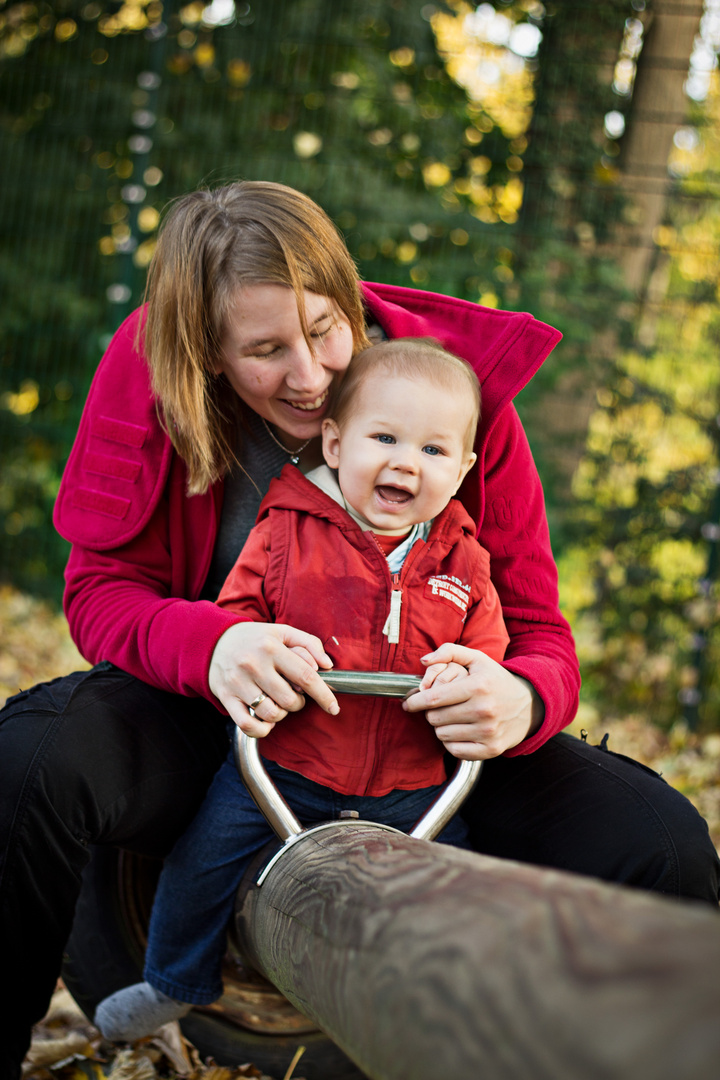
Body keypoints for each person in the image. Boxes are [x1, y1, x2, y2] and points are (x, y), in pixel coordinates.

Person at [1, 181, 717, 1077]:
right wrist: (215, 644)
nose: (310, 376)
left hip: (427, 743)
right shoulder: (152, 379)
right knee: (28, 757)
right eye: (264, 351)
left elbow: (538, 627)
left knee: (661, 840)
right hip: (231, 717)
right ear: (207, 355)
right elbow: (101, 591)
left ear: (351, 302)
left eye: (325, 330)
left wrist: (521, 698)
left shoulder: (448, 399)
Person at [94, 337, 511, 1038]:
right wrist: (251, 646)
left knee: (460, 893)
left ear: (464, 469)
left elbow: (489, 648)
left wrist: (472, 674)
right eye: (385, 438)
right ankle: (174, 980)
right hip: (286, 766)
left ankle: (448, 1012)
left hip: (411, 783)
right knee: (201, 865)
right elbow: (236, 619)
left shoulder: (463, 560)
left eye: (435, 452)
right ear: (336, 444)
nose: (407, 462)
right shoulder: (288, 530)